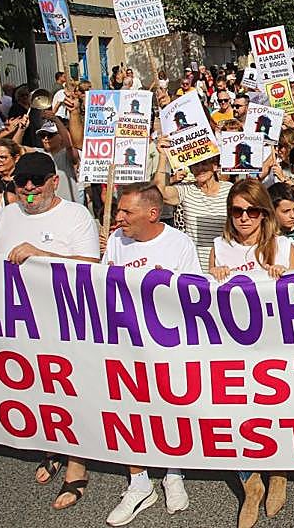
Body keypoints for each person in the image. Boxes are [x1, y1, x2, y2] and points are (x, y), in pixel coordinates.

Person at [0, 151, 100, 507]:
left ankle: (77, 465)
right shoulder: (6, 214)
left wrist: (42, 255)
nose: (29, 189)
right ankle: (52, 447)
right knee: (39, 393)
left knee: (71, 395)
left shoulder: (76, 216)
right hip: (20, 325)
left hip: (66, 327)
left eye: (37, 181)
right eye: (22, 182)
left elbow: (90, 269)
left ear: (54, 181)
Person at [102, 183, 200, 524]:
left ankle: (174, 472)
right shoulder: (116, 239)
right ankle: (139, 482)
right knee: (129, 409)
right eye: (119, 210)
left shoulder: (179, 244)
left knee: (169, 406)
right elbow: (102, 283)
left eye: (127, 212)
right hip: (125, 340)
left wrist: (170, 284)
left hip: (167, 344)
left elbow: (196, 297)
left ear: (152, 214)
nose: (120, 217)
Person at [208, 179, 294, 528]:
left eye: (252, 211)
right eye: (237, 211)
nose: (244, 218)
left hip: (276, 347)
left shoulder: (283, 246)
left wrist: (286, 276)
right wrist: (213, 276)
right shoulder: (219, 246)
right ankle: (251, 483)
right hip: (234, 347)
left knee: (279, 410)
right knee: (239, 413)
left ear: (264, 213)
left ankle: (280, 472)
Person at [154, 137, 231, 272]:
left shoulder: (230, 190)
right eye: (195, 165)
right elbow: (159, 192)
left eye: (204, 163)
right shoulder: (187, 189)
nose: (199, 168)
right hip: (194, 268)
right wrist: (162, 157)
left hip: (223, 266)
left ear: (214, 166)